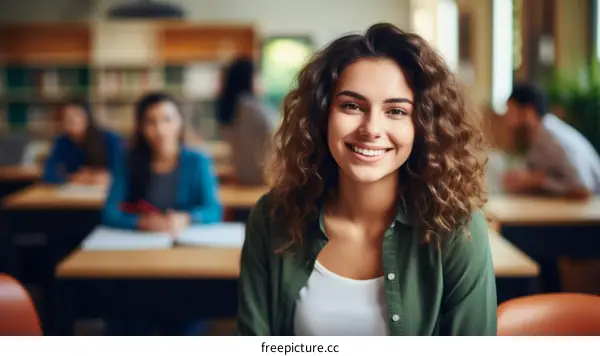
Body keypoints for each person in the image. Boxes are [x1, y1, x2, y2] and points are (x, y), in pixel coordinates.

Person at [236, 23, 496, 336]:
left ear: (423, 126)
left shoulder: (456, 228)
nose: (371, 128)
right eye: (351, 106)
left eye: (396, 111)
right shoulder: (273, 217)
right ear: (322, 116)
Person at [102, 92, 222, 335]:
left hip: (184, 258)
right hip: (136, 257)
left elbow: (214, 210)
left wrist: (187, 218)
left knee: (184, 316)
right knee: (125, 318)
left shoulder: (197, 160)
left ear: (179, 122)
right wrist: (141, 222)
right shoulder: (128, 160)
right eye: (150, 121)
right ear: (140, 126)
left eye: (167, 120)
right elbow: (109, 212)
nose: (159, 129)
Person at [502, 83, 600, 198]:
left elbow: (583, 188)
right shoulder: (536, 138)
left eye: (511, 113)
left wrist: (537, 180)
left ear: (528, 112)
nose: (508, 122)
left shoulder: (553, 140)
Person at [216, 57, 277, 185]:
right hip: (264, 178)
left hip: (243, 177)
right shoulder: (253, 108)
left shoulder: (230, 108)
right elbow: (280, 133)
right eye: (258, 77)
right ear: (249, 79)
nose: (261, 82)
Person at [42, 99, 123, 185]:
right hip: (73, 193)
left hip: (103, 191)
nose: (72, 120)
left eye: (77, 115)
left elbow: (122, 172)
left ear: (87, 116)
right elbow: (48, 174)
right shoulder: (61, 142)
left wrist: (107, 177)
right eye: (66, 117)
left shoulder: (109, 139)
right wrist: (73, 177)